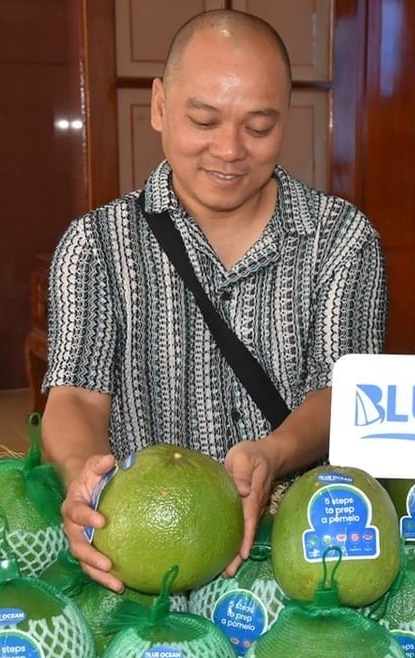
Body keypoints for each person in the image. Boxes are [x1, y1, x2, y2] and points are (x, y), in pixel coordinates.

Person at [40, 9, 388, 591]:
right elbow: (75, 392)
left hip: (303, 550)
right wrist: (83, 479)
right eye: (203, 120)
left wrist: (274, 453)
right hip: (146, 546)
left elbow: (345, 393)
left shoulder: (342, 240)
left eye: (258, 128)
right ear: (159, 106)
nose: (229, 150)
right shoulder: (95, 245)